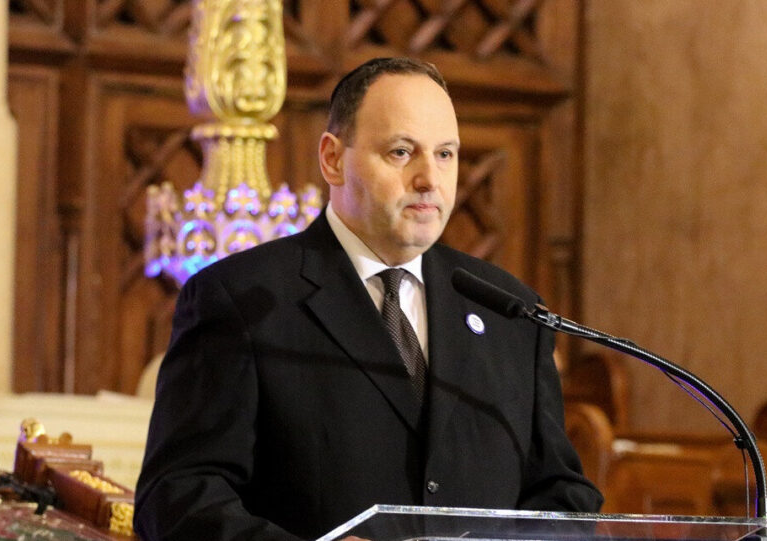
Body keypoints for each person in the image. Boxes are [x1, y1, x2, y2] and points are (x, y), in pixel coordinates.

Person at [134, 57, 603, 541]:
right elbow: (177, 497)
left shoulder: (510, 311)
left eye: (445, 154)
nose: (429, 179)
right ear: (333, 159)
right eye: (401, 152)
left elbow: (562, 495)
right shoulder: (243, 299)